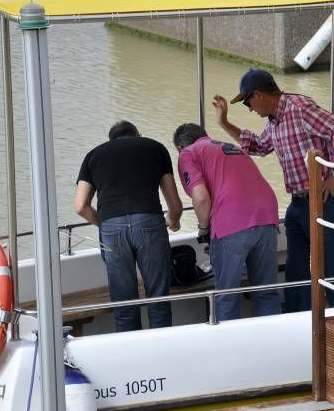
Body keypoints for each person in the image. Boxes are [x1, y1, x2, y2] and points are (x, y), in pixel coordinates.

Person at [213, 68, 334, 312]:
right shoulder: (275, 121)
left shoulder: (299, 108)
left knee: (332, 267)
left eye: (248, 102)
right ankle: (299, 319)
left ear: (258, 95)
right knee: (296, 270)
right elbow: (258, 146)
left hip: (324, 200)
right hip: (298, 204)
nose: (250, 109)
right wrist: (224, 122)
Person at [75, 120, 183, 332]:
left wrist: (104, 225)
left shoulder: (93, 156)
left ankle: (129, 358)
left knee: (124, 304)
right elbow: (175, 204)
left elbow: (81, 206)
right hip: (149, 222)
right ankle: (163, 354)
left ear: (111, 140)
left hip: (111, 228)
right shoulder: (155, 148)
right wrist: (174, 219)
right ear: (137, 135)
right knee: (158, 298)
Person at [173, 123, 280, 321]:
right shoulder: (231, 147)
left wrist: (204, 228)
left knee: (227, 296)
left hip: (232, 221)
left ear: (180, 147)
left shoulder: (187, 153)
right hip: (267, 216)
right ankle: (272, 344)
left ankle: (231, 350)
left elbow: (201, 198)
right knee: (266, 292)